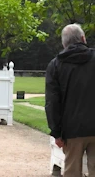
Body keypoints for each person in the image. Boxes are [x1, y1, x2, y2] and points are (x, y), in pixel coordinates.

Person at [45, 23, 95, 176]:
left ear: (64, 43)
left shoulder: (55, 65)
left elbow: (52, 102)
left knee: (72, 171)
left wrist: (56, 132)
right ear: (83, 38)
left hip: (72, 130)